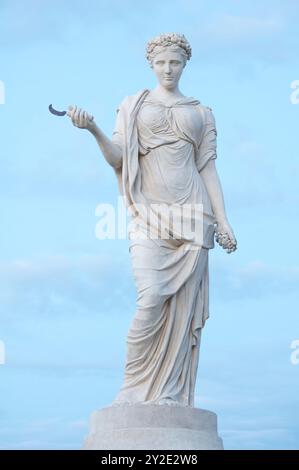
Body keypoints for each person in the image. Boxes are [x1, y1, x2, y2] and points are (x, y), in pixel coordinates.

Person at [67, 32, 237, 408]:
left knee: (181, 308)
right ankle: (132, 390)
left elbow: (207, 169)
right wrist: (92, 129)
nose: (168, 69)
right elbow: (118, 159)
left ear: (185, 64)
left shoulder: (201, 113)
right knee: (152, 297)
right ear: (150, 64)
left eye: (174, 62)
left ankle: (171, 394)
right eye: (161, 62)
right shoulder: (133, 105)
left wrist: (223, 221)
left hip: (194, 215)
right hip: (148, 213)